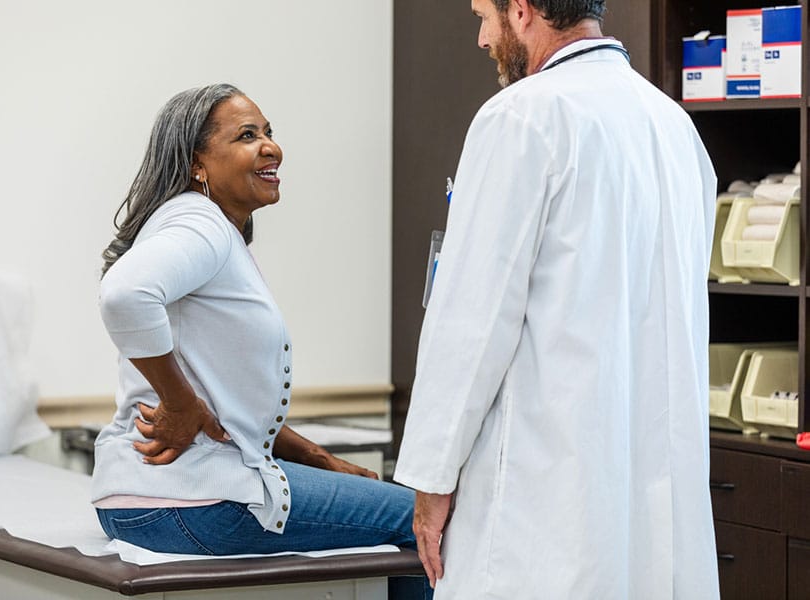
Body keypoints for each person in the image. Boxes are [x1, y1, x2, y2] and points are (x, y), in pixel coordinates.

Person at [393, 1, 720, 598]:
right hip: (652, 496)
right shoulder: (674, 125)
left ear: (521, 10)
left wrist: (431, 481)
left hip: (544, 504)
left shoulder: (521, 117)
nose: (481, 37)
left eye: (483, 16)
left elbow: (471, 323)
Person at [93, 84, 432, 599]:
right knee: (422, 520)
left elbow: (226, 407)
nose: (271, 146)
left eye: (269, 132)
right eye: (247, 135)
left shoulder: (207, 229)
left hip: (139, 503)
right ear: (196, 164)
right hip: (191, 501)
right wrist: (180, 403)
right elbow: (123, 294)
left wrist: (318, 458)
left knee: (394, 506)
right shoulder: (199, 222)